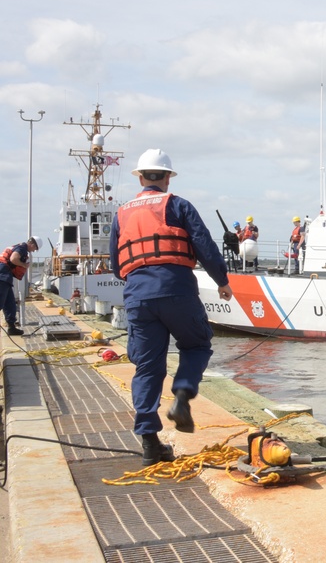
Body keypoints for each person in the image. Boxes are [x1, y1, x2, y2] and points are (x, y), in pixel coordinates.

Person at [109, 148, 233, 467]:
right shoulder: (178, 204)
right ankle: (182, 395)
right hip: (176, 287)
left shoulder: (121, 212)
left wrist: (138, 278)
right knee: (196, 344)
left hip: (137, 293)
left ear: (140, 176)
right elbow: (204, 244)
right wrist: (222, 280)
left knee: (148, 366)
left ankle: (151, 444)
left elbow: (114, 262)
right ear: (166, 177)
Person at [1, 236, 41, 335]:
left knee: (9, 303)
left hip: (5, 276)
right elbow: (13, 258)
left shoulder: (19, 246)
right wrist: (23, 265)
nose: (33, 251)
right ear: (32, 244)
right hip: (2, 275)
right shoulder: (22, 248)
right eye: (34, 249)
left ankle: (11, 327)